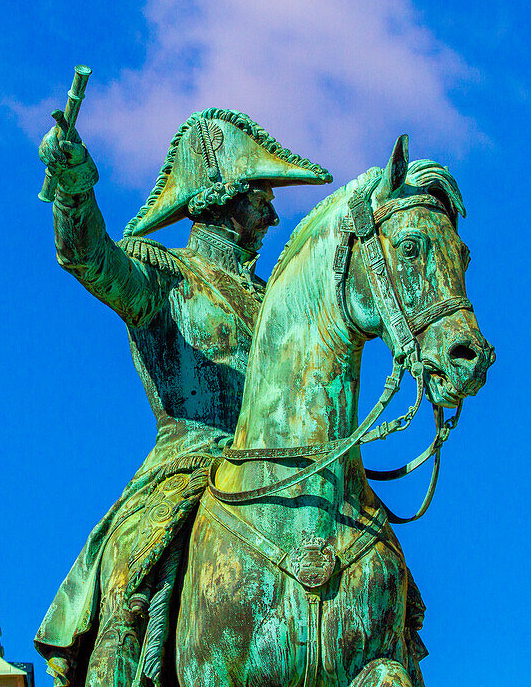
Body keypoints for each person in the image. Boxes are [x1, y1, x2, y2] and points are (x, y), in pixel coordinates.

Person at [34, 108, 332, 687]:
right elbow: (88, 257)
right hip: (188, 464)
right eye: (259, 196)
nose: (271, 213)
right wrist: (73, 186)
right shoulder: (162, 276)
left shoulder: (276, 301)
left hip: (287, 472)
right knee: (132, 571)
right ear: (219, 198)